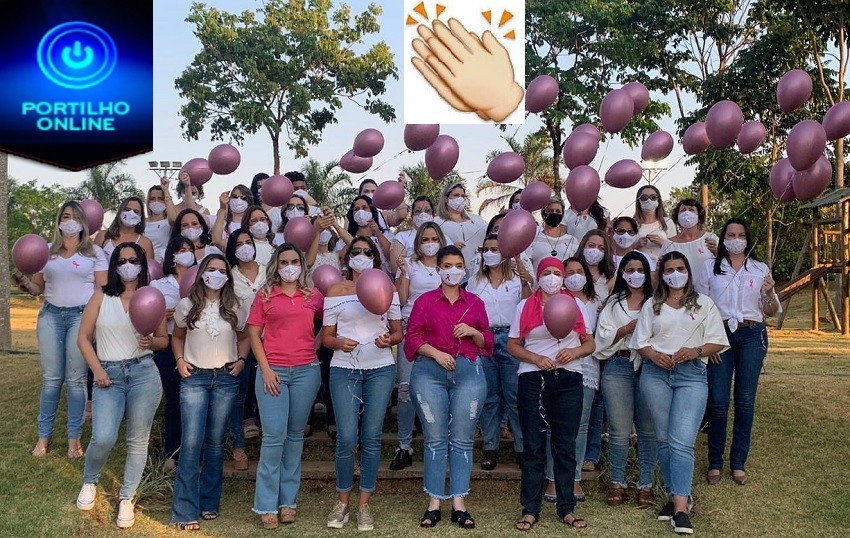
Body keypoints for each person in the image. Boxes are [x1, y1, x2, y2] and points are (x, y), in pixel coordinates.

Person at [632, 251, 729, 535]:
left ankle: (682, 509)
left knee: (682, 441)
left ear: (688, 271)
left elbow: (716, 342)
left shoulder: (704, 304)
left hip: (691, 376)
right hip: (656, 374)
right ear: (661, 275)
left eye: (680, 268)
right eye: (669, 269)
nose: (674, 274)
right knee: (664, 439)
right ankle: (676, 499)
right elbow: (640, 342)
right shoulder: (653, 305)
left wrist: (696, 351)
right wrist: (652, 355)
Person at [75, 243, 168, 528]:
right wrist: (98, 371)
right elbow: (83, 337)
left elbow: (163, 340)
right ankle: (90, 481)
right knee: (103, 436)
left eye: (134, 259)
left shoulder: (152, 297)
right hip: (109, 374)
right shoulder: (101, 297)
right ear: (115, 265)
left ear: (143, 264)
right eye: (122, 260)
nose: (128, 265)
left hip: (143, 372)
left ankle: (127, 496)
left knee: (137, 440)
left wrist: (152, 341)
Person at [405, 245, 493, 529]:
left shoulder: (475, 302)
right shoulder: (424, 302)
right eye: (447, 265)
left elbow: (488, 342)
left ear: (464, 269)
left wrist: (474, 332)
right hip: (430, 372)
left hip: (468, 372)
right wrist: (436, 353)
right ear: (438, 268)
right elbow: (412, 339)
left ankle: (458, 503)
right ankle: (434, 503)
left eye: (458, 265)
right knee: (434, 438)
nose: (452, 271)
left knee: (463, 439)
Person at [322, 237, 403, 531]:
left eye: (368, 252)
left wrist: (389, 339)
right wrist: (338, 342)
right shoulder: (335, 291)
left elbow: (397, 332)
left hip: (380, 369)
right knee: (346, 437)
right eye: (355, 252)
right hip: (344, 369)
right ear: (346, 257)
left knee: (371, 436)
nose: (361, 256)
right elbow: (326, 336)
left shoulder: (388, 289)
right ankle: (342, 502)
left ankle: (364, 505)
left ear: (375, 258)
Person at [15, 201, 108, 459]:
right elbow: (38, 288)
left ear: (83, 222)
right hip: (51, 317)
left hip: (81, 317)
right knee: (52, 380)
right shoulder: (45, 252)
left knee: (77, 380)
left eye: (75, 217)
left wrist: (96, 323)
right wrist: (23, 283)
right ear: (58, 221)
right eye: (65, 216)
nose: (70, 221)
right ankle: (43, 437)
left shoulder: (95, 253)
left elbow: (102, 290)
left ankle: (73, 439)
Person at [507, 257, 594, 531]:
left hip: (569, 378)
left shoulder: (575, 305)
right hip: (533, 379)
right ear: (539, 276)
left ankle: (566, 508)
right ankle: (530, 509)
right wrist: (534, 358)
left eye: (558, 273)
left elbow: (589, 343)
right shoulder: (524, 305)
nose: (553, 277)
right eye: (547, 272)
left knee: (565, 446)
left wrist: (574, 352)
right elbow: (512, 345)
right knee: (533, 446)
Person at [696, 218, 779, 486]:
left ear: (748, 238)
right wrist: (710, 341)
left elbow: (770, 310)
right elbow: (700, 306)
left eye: (740, 234)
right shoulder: (710, 267)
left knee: (745, 401)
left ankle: (738, 462)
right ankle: (715, 462)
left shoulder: (759, 268)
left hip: (751, 335)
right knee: (718, 402)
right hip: (720, 337)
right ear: (723, 238)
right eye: (730, 234)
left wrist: (770, 291)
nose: (735, 239)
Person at [170, 254, 250, 530]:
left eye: (221, 270)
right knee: (192, 442)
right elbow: (177, 336)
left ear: (227, 275)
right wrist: (180, 361)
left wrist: (241, 361)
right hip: (194, 377)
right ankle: (184, 511)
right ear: (202, 273)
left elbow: (244, 336)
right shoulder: (186, 305)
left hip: (226, 378)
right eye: (211, 269)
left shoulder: (234, 306)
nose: (216, 274)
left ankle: (208, 502)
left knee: (216, 442)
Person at [247, 244, 324, 529]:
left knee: (294, 438)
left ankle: (288, 502)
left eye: (294, 261)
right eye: (284, 262)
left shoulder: (312, 296)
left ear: (302, 265)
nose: (289, 266)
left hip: (307, 372)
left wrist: (314, 348)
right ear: (276, 266)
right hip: (273, 372)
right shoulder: (265, 294)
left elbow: (329, 325)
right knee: (273, 437)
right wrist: (265, 369)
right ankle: (266, 505)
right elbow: (253, 334)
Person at [594, 251, 657, 508]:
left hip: (649, 366)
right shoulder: (613, 303)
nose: (635, 275)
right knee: (619, 431)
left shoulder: (657, 301)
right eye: (629, 270)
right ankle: (617, 482)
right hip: (618, 365)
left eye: (640, 269)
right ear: (622, 273)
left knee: (647, 429)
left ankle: (646, 484)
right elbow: (601, 337)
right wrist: (627, 329)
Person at [467, 234, 532, 470]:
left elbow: (527, 307)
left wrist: (525, 282)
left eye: (495, 248)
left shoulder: (516, 279)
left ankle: (523, 447)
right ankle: (490, 446)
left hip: (511, 338)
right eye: (486, 249)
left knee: (514, 395)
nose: (490, 253)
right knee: (490, 396)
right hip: (484, 337)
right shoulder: (476, 280)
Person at [392, 222, 447, 470]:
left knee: (440, 387)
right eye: (425, 239)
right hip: (411, 326)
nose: (430, 243)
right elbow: (401, 299)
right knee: (405, 389)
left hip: (441, 330)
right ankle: (404, 445)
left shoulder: (449, 265)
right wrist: (403, 273)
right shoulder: (410, 264)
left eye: (434, 238)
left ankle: (436, 444)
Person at [150, 237, 198, 471]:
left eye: (190, 250)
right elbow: (147, 315)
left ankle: (193, 453)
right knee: (174, 399)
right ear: (172, 255)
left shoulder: (202, 280)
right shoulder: (159, 285)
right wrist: (162, 316)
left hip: (198, 346)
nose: (186, 253)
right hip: (168, 346)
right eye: (181, 250)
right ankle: (171, 452)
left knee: (194, 401)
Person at [224, 229, 268, 472]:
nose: (244, 247)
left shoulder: (267, 271)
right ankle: (238, 446)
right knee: (239, 393)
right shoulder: (228, 276)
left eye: (247, 242)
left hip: (270, 341)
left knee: (269, 389)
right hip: (240, 340)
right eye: (238, 244)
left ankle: (269, 442)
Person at [561, 257, 602, 502]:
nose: (575, 275)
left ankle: (575, 478)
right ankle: (556, 477)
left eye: (579, 271)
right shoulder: (557, 298)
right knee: (560, 424)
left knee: (582, 424)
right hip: (562, 362)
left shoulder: (596, 301)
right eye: (570, 272)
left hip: (588, 364)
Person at [574, 230, 614, 473]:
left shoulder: (610, 279)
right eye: (591, 245)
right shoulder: (573, 274)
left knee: (597, 401)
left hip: (602, 345)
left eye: (601, 247)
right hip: (576, 346)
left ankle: (592, 452)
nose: (595, 250)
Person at [434, 182, 487, 272]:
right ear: (446, 199)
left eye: (462, 196)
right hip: (453, 273)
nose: (460, 198)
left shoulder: (477, 220)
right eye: (456, 195)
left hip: (480, 272)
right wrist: (450, 248)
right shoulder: (437, 222)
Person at [660, 198, 719, 273]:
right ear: (677, 218)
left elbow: (726, 262)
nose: (687, 213)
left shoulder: (711, 237)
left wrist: (716, 252)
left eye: (691, 210)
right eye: (682, 210)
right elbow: (662, 269)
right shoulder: (669, 244)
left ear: (699, 217)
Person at [345, 195, 394, 273]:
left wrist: (378, 234)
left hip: (382, 279)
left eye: (364, 208)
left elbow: (391, 256)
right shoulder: (348, 237)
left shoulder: (384, 234)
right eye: (356, 209)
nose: (360, 212)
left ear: (372, 211)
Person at [529, 198, 579, 273]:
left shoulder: (572, 241)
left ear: (562, 215)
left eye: (558, 211)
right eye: (550, 211)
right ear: (543, 214)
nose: (554, 213)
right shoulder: (533, 239)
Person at [389, 195, 437, 274]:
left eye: (427, 210)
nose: (422, 214)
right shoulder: (401, 237)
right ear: (412, 216)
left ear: (433, 214)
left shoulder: (444, 238)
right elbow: (395, 269)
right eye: (418, 211)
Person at [633, 185, 676, 262]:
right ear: (639, 201)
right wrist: (636, 245)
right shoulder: (633, 223)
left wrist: (662, 243)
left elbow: (675, 248)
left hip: (663, 265)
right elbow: (624, 249)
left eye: (653, 197)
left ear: (658, 200)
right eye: (644, 197)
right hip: (639, 267)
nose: (649, 200)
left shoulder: (667, 222)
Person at [611, 216, 656, 283]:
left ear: (635, 234)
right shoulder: (605, 257)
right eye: (621, 231)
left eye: (630, 232)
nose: (625, 235)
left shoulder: (643, 258)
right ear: (613, 232)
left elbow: (651, 282)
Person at [211, 185, 254, 249]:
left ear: (249, 202)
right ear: (229, 199)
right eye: (235, 196)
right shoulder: (218, 221)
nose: (238, 200)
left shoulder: (253, 224)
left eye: (243, 198)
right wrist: (222, 208)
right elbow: (216, 241)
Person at [145, 179, 176, 262]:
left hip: (163, 263)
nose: (156, 201)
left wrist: (166, 190)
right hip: (145, 263)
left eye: (160, 198)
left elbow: (174, 219)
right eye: (152, 198)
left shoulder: (169, 222)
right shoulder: (142, 223)